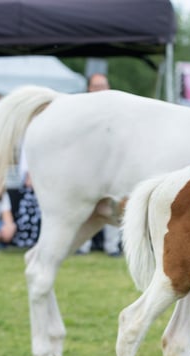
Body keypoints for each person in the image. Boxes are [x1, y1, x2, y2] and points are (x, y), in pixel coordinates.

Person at [78, 73, 122, 257]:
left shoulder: (117, 112)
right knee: (84, 205)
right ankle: (82, 245)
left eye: (103, 86)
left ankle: (112, 247)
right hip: (87, 165)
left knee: (112, 205)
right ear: (89, 88)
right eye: (96, 86)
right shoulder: (81, 111)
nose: (100, 90)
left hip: (111, 166)